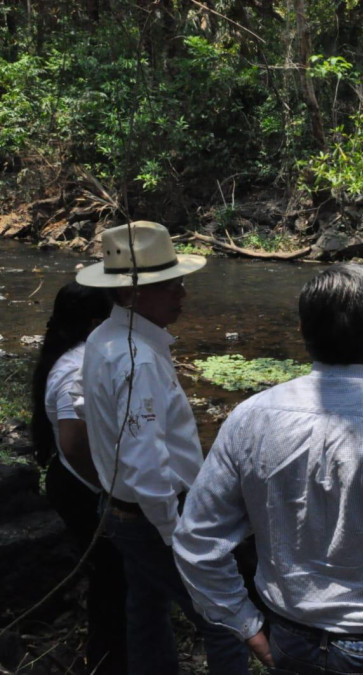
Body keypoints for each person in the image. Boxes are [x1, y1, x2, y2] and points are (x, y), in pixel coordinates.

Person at [173, 263, 363, 675]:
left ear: (303, 332)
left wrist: (247, 626)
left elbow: (195, 540)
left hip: (288, 639)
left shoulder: (250, 418)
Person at [75, 221, 250, 674]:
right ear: (132, 294)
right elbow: (146, 462)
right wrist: (178, 535)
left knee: (146, 606)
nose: (181, 293)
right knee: (222, 619)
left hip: (119, 508)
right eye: (169, 285)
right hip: (152, 514)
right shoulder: (139, 358)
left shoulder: (104, 340)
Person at [30, 281, 127, 674]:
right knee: (112, 579)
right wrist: (110, 490)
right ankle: (108, 659)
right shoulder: (79, 367)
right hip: (83, 488)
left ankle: (108, 654)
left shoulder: (65, 355)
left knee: (110, 578)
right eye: (114, 316)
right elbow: (74, 444)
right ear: (95, 322)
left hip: (69, 480)